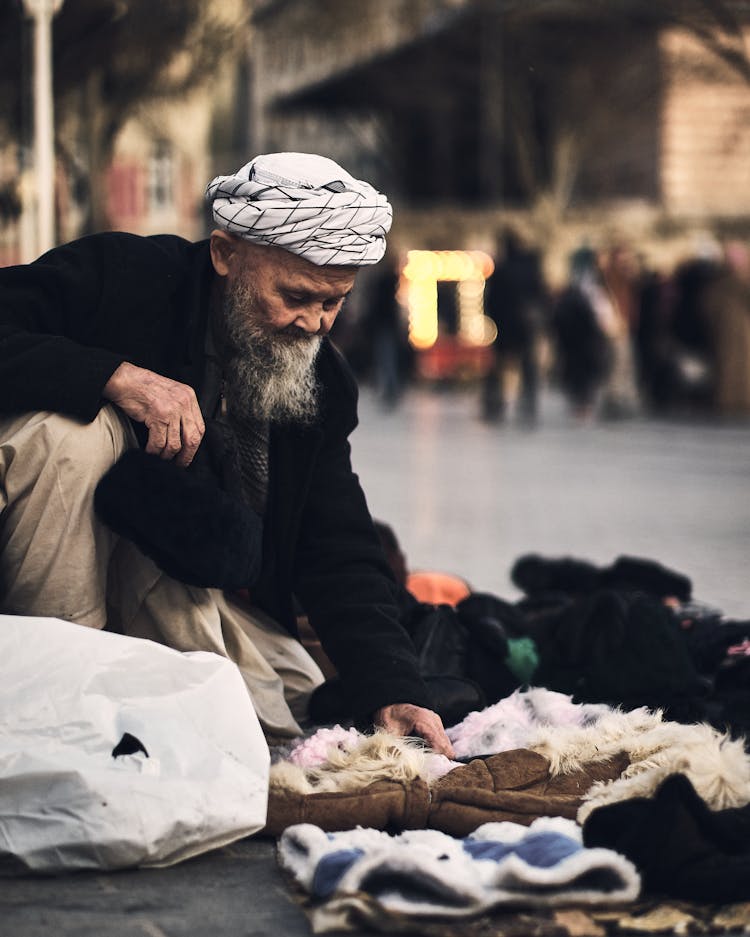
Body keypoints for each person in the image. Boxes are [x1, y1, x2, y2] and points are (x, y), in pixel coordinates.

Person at [0, 152, 453, 756]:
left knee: (282, 706)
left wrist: (394, 688)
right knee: (72, 435)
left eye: (332, 303)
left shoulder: (323, 381)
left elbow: (336, 540)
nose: (313, 324)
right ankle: (50, 707)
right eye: (295, 296)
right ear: (225, 254)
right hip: (43, 565)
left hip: (177, 580)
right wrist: (113, 377)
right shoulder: (123, 276)